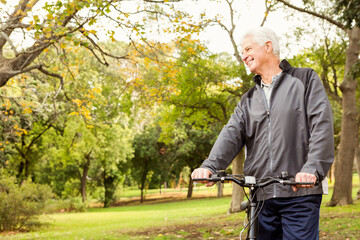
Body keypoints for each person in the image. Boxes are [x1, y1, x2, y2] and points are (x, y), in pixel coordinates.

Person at [191, 27, 334, 240]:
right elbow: (231, 133)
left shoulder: (305, 80)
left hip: (298, 192)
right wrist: (210, 166)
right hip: (261, 197)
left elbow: (321, 125)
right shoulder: (249, 99)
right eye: (242, 51)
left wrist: (312, 168)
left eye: (248, 48)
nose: (243, 55)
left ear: (268, 47)